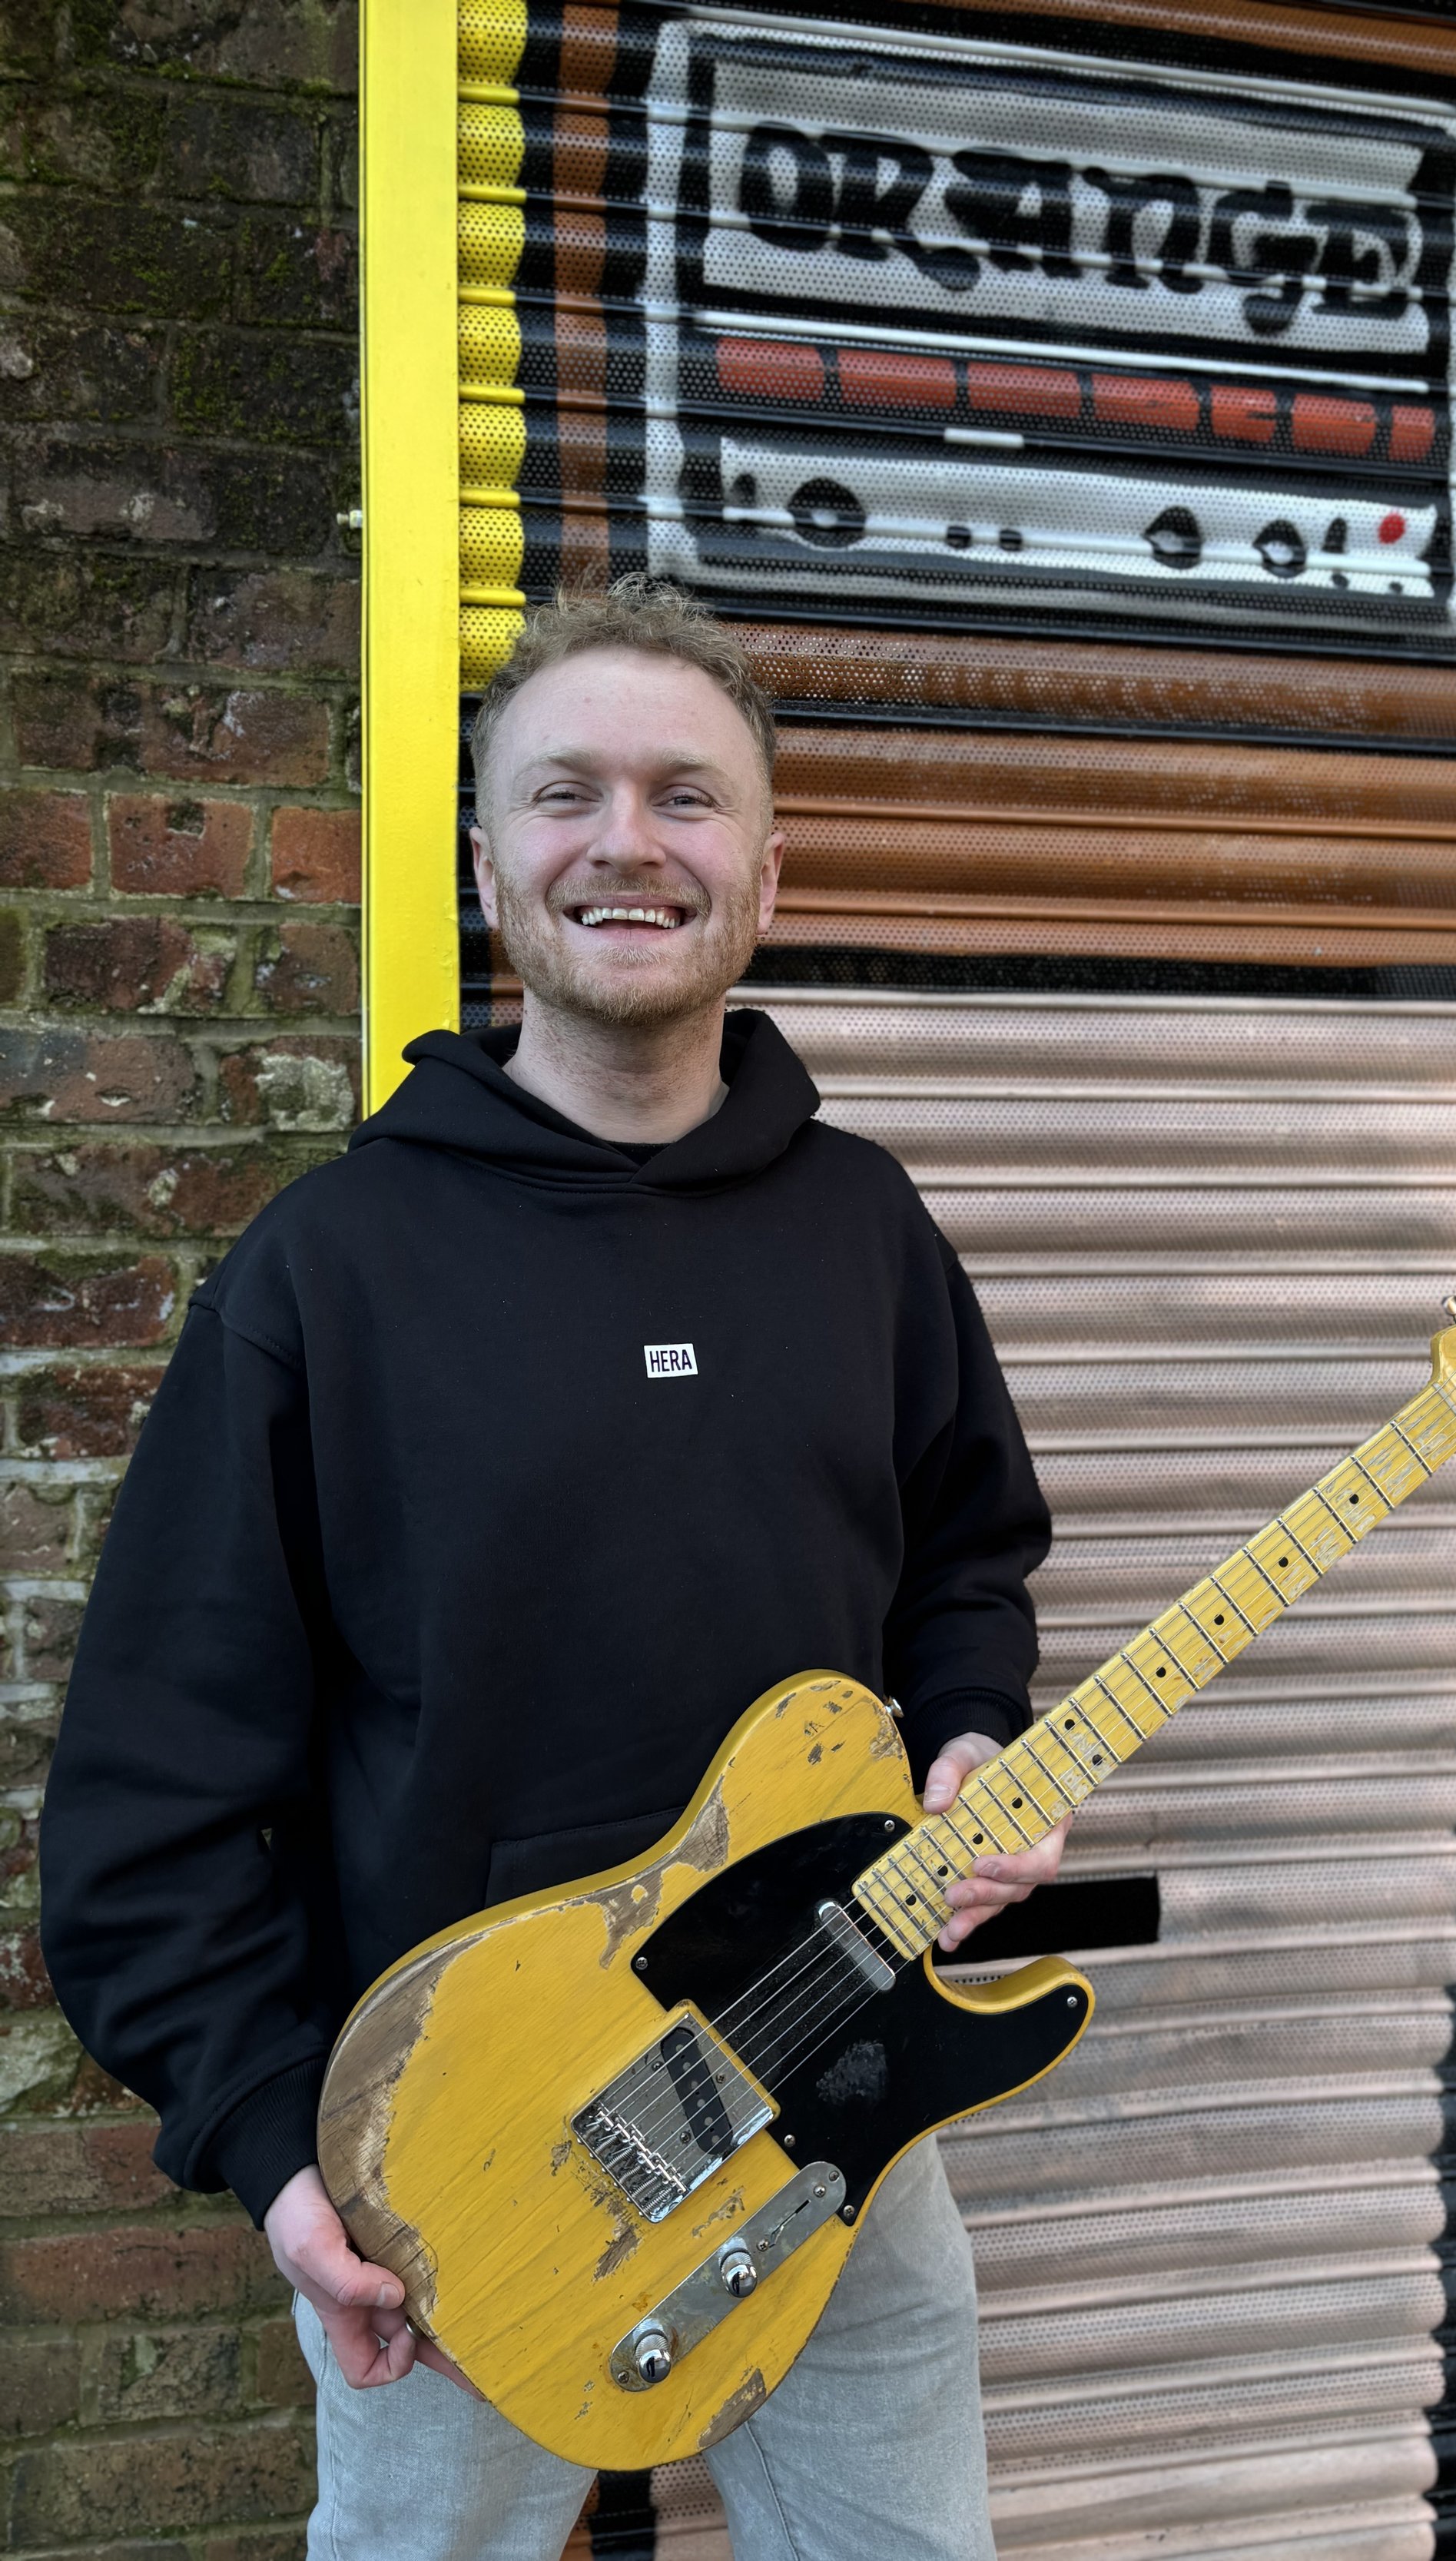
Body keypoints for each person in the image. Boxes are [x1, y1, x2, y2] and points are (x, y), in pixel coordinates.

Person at [40, 579, 1067, 2561]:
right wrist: (275, 2150)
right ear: (490, 862)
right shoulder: (325, 1278)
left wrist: (961, 1736)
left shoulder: (861, 1225)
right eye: (565, 792)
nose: (628, 842)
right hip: (465, 2171)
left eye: (688, 798)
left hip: (846, 2087)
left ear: (764, 873)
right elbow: (148, 1806)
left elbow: (965, 1556)